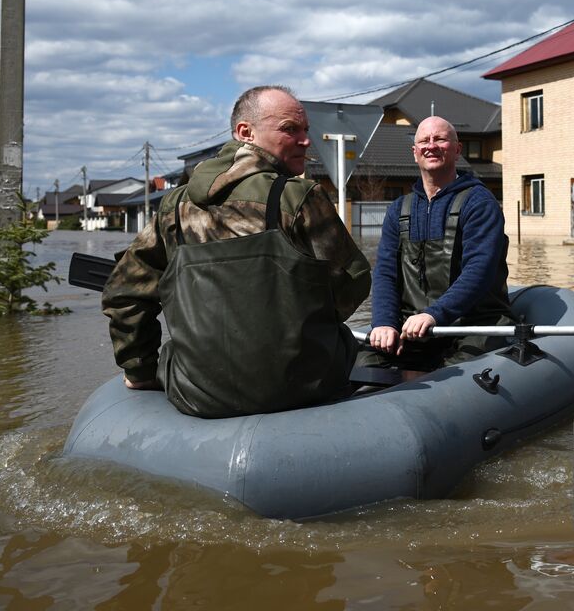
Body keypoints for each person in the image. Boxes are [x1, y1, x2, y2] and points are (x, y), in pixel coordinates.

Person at [102, 85, 371, 418]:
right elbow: (354, 284)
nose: (305, 140)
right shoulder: (299, 197)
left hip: (196, 394)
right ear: (246, 132)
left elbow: (123, 293)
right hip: (302, 387)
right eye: (290, 129)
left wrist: (140, 370)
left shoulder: (173, 207)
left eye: (306, 131)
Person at [361, 116, 513, 372]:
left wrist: (434, 315)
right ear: (415, 152)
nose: (431, 146)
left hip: (474, 325)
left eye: (440, 139)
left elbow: (479, 270)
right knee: (360, 362)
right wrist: (385, 322)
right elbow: (386, 272)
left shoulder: (479, 203)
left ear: (457, 149)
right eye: (424, 141)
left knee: (456, 374)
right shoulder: (399, 209)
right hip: (415, 329)